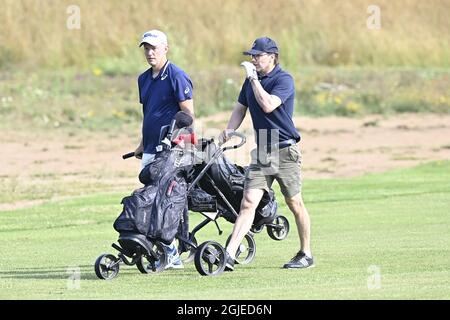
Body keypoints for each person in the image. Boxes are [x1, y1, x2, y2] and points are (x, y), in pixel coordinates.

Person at [219, 37, 314, 271]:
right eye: (252, 55)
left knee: (295, 203)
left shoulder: (284, 79)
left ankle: (306, 254)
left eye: (258, 55)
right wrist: (228, 132)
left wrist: (252, 78)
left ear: (272, 57)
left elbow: (268, 104)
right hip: (262, 152)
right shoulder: (249, 83)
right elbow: (240, 109)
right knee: (248, 202)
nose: (253, 59)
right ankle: (229, 254)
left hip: (284, 150)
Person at [134, 29, 195, 269]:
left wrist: (180, 140)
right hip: (150, 147)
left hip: (173, 150)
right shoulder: (143, 79)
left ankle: (172, 252)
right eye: (146, 48)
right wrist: (141, 144)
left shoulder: (177, 76)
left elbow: (188, 115)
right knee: (152, 197)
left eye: (154, 48)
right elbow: (148, 113)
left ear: (165, 48)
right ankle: (169, 247)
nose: (150, 52)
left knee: (163, 198)